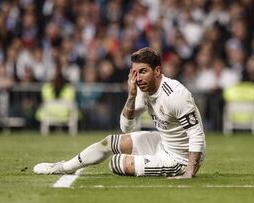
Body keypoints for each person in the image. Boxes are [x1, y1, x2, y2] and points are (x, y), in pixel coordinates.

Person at [33, 47, 206, 179]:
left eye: (143, 72)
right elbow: (126, 127)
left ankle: (160, 164)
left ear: (158, 71)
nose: (138, 78)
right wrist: (131, 97)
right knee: (109, 142)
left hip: (179, 158)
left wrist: (189, 171)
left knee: (117, 163)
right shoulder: (142, 91)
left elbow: (197, 134)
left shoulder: (175, 95)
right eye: (135, 73)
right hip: (163, 142)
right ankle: (64, 167)